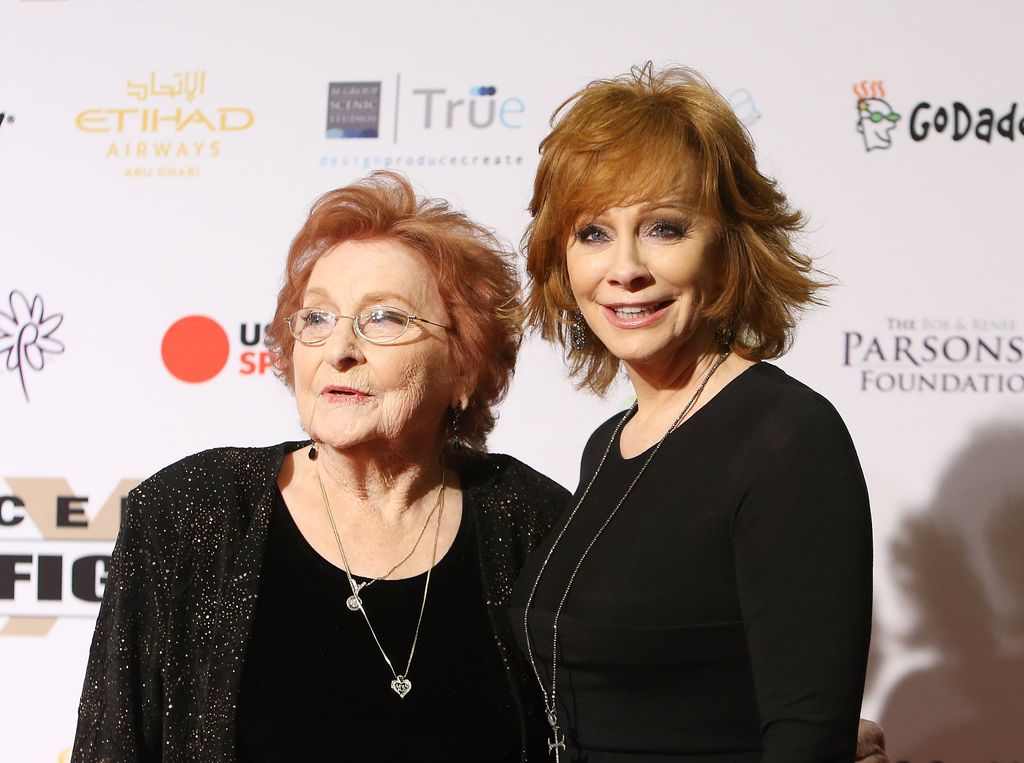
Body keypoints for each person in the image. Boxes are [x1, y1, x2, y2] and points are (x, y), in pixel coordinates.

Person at [71, 171, 569, 762]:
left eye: (385, 318)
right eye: (316, 319)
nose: (339, 350)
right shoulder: (190, 512)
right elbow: (112, 746)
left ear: (464, 366)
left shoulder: (534, 525)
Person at [512, 64, 874, 762]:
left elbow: (805, 738)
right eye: (592, 232)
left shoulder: (786, 438)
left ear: (728, 246)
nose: (625, 268)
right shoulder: (608, 443)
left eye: (664, 228)